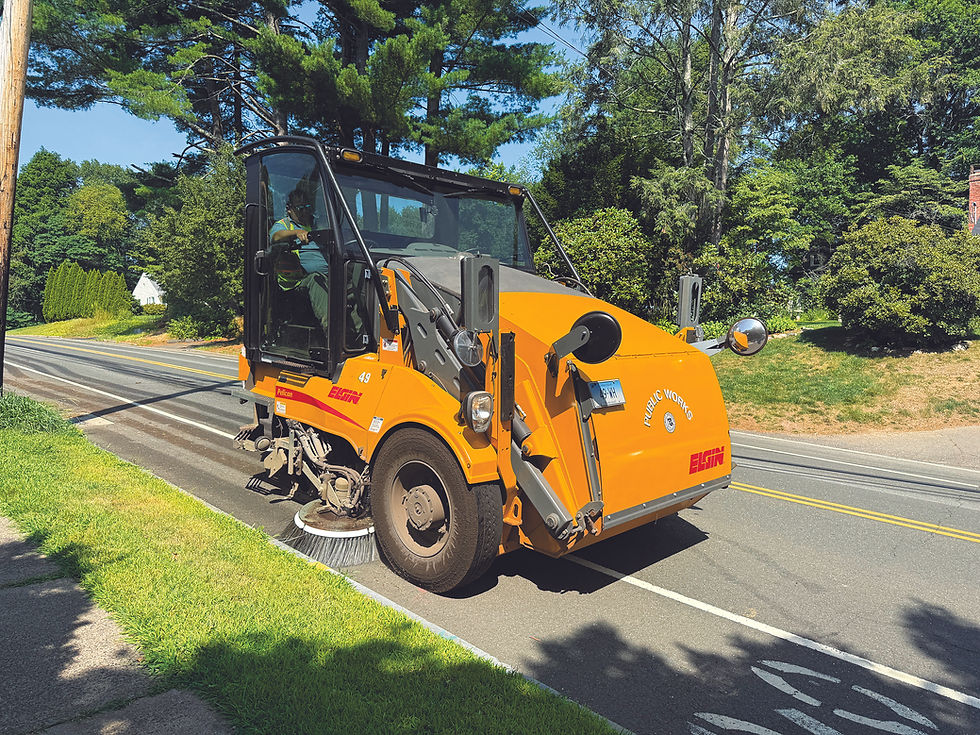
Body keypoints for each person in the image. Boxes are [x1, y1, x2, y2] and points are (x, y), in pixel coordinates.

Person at [269, 188, 331, 339]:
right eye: (299, 208)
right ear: (289, 209)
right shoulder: (284, 225)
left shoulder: (317, 223)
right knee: (317, 280)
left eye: (307, 207)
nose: (304, 212)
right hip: (300, 281)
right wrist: (296, 233)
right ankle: (332, 334)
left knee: (359, 274)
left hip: (332, 274)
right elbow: (276, 237)